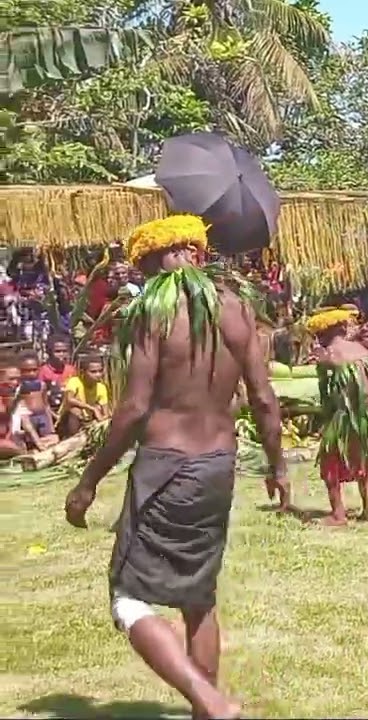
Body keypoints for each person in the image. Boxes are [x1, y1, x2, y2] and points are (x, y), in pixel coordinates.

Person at [63, 214, 285, 720]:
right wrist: (278, 467)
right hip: (218, 465)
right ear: (197, 253)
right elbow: (265, 399)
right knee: (198, 596)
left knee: (128, 599)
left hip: (167, 466)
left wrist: (88, 481)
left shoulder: (153, 313)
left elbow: (134, 409)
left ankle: (210, 701)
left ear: (152, 262)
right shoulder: (238, 309)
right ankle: (207, 715)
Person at [310, 305, 368, 526]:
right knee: (362, 461)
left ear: (324, 332)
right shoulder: (361, 350)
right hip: (367, 415)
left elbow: (327, 391)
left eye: (317, 334)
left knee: (330, 462)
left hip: (344, 417)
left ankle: (338, 514)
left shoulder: (331, 354)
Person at [60, 355, 110, 436]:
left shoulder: (101, 387)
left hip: (87, 420)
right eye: (93, 372)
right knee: (75, 410)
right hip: (67, 420)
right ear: (83, 372)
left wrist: (102, 419)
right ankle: (71, 436)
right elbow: (69, 399)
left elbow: (105, 411)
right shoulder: (74, 381)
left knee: (99, 409)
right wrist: (92, 408)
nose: (98, 374)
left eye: (100, 371)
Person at [12, 379, 57, 450]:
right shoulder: (19, 406)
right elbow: (27, 426)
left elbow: (46, 405)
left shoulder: (42, 385)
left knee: (52, 439)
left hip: (41, 417)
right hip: (26, 422)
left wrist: (52, 426)